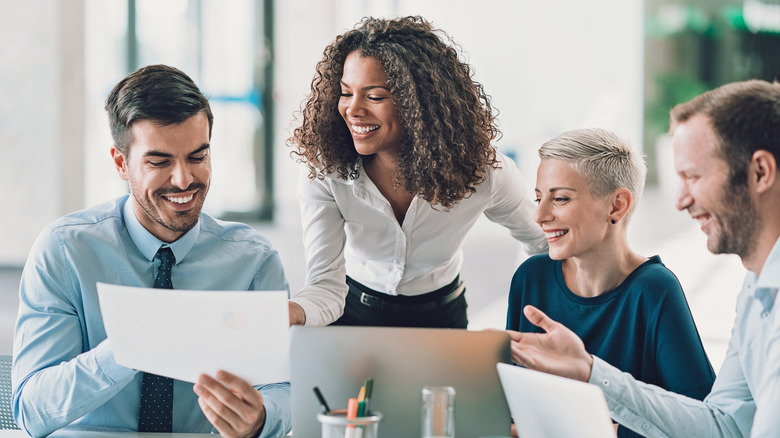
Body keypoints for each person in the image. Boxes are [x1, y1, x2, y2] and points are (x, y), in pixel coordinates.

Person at [12, 64, 291, 438]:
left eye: (197, 157)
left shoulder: (254, 261)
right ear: (121, 163)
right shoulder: (64, 251)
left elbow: (284, 389)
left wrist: (261, 419)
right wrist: (130, 347)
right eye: (159, 162)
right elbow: (30, 411)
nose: (183, 179)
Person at [508, 79, 780, 437]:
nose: (680, 201)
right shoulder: (755, 293)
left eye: (693, 176)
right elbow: (723, 426)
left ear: (760, 172)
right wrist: (590, 372)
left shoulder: (656, 288)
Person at [287, 16, 547, 327]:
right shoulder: (326, 169)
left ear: (418, 103)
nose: (353, 110)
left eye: (374, 96)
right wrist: (292, 312)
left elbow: (542, 242)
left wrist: (528, 310)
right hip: (353, 309)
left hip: (442, 316)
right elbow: (324, 288)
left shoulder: (483, 171)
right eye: (345, 93)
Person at [506, 128, 714, 437]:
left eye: (560, 198)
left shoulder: (654, 289)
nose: (539, 215)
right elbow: (508, 407)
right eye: (538, 198)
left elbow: (703, 422)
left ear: (617, 205)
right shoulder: (531, 278)